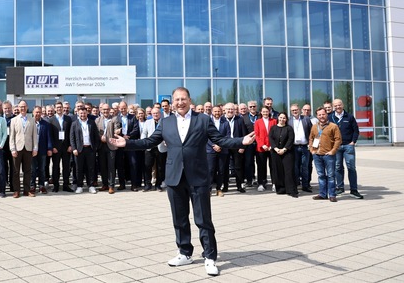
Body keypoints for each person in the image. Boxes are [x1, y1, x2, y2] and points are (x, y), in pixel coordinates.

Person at [110, 87, 254, 277]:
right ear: (172, 102)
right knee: (179, 219)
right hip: (174, 177)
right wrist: (127, 143)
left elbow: (220, 139)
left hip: (198, 177)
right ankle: (185, 252)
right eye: (176, 99)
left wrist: (241, 141)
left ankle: (210, 257)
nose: (180, 102)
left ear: (189, 100)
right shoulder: (166, 122)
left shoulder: (203, 120)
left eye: (183, 99)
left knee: (203, 219)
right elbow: (150, 141)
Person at [308, 107, 342, 202]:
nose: (321, 116)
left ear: (326, 114)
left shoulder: (333, 126)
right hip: (317, 154)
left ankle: (332, 194)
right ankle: (323, 194)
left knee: (331, 175)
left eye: (323, 114)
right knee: (321, 175)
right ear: (317, 116)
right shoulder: (314, 126)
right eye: (319, 115)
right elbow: (311, 138)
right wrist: (311, 149)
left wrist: (333, 151)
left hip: (328, 155)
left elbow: (338, 139)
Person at [331, 99, 363, 199]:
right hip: (336, 147)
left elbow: (356, 130)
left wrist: (353, 142)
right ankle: (340, 188)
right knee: (338, 167)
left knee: (351, 168)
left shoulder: (349, 117)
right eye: (335, 105)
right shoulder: (330, 117)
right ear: (333, 106)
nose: (338, 107)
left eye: (339, 105)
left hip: (348, 146)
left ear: (343, 105)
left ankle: (354, 190)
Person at [8, 100, 38, 198]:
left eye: (24, 106)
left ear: (27, 107)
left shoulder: (32, 119)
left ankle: (27, 190)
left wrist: (35, 148)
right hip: (17, 148)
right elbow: (12, 136)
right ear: (18, 108)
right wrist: (12, 149)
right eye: (21, 106)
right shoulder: (14, 120)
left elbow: (34, 135)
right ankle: (16, 190)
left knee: (27, 170)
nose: (23, 108)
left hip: (28, 148)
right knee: (16, 171)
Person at [70, 106, 99, 194]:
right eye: (81, 113)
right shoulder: (74, 124)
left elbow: (96, 136)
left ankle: (91, 185)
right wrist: (74, 148)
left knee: (91, 168)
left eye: (84, 113)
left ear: (87, 113)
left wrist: (95, 148)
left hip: (90, 149)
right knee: (79, 168)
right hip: (79, 150)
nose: (83, 115)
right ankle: (79, 186)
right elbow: (72, 137)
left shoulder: (91, 123)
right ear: (78, 114)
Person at [269, 112, 298, 198]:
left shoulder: (289, 128)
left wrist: (284, 149)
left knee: (289, 171)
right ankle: (281, 189)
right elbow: (271, 139)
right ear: (278, 118)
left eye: (284, 118)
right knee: (278, 171)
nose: (282, 119)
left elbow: (290, 139)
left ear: (286, 119)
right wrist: (276, 149)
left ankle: (291, 190)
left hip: (287, 152)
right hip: (275, 152)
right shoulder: (273, 128)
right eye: (281, 117)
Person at [48, 101, 73, 193]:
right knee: (55, 167)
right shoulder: (51, 120)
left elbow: (71, 133)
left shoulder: (68, 119)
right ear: (55, 109)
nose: (59, 109)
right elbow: (50, 135)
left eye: (60, 107)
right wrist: (52, 147)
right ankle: (56, 185)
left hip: (66, 147)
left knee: (66, 167)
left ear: (63, 108)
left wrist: (70, 145)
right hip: (56, 148)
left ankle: (66, 185)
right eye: (57, 107)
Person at [289, 104, 313, 193]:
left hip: (305, 147)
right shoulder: (289, 120)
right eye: (293, 110)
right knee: (295, 167)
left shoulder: (306, 119)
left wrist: (311, 144)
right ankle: (296, 185)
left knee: (305, 167)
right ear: (291, 111)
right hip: (294, 147)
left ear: (299, 110)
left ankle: (305, 185)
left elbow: (312, 133)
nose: (295, 111)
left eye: (296, 110)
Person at [253, 106, 276, 192]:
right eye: (264, 111)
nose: (265, 113)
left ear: (269, 112)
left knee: (273, 166)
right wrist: (262, 145)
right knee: (261, 166)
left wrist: (272, 145)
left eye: (267, 111)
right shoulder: (257, 122)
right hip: (261, 148)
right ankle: (261, 183)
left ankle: (275, 183)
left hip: (271, 147)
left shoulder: (274, 121)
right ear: (261, 112)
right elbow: (257, 135)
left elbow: (276, 134)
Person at [31, 105, 52, 194]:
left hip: (42, 150)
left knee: (42, 169)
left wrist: (49, 148)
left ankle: (41, 186)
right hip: (32, 150)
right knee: (32, 169)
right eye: (36, 112)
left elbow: (49, 137)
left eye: (39, 112)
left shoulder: (46, 124)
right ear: (33, 113)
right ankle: (32, 186)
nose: (38, 114)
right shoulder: (29, 123)